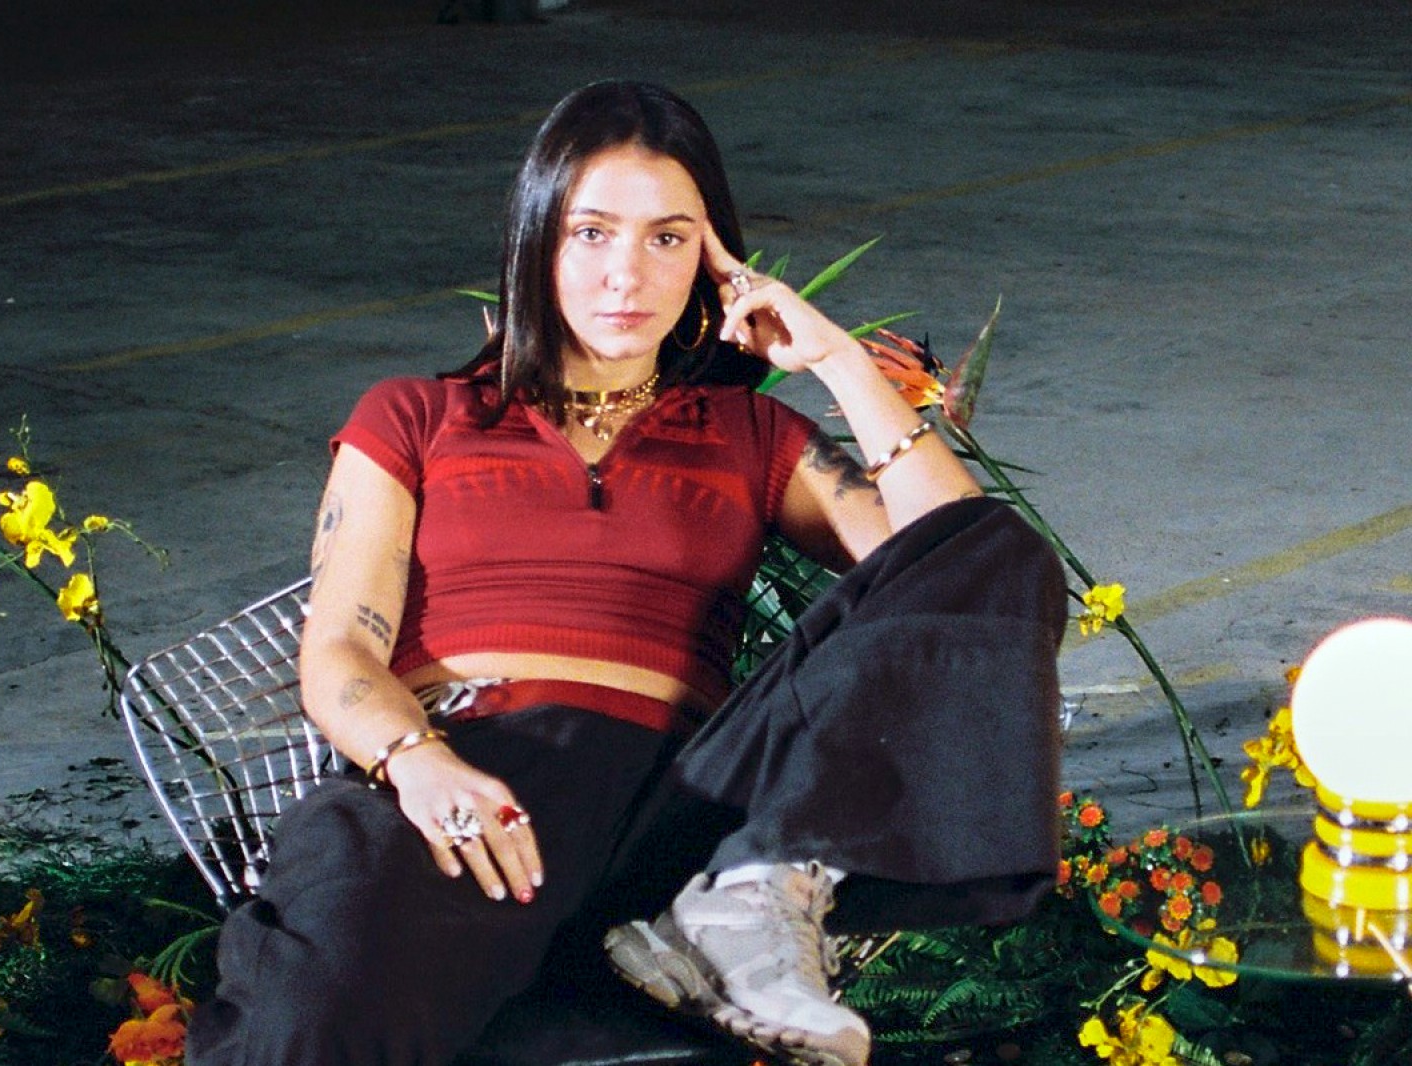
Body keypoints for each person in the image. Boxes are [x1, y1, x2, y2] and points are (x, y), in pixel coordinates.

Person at [187, 80, 1067, 1066]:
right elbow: (341, 646)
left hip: (676, 810)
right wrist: (416, 760)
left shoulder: (750, 433)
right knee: (306, 1014)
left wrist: (836, 362)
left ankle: (722, 922)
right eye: (592, 233)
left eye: (667, 239)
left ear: (710, 261)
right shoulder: (418, 416)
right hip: (468, 786)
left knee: (1003, 552)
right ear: (536, 242)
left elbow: (961, 561)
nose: (627, 275)